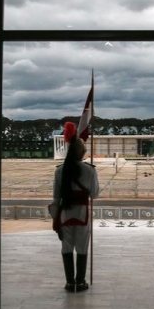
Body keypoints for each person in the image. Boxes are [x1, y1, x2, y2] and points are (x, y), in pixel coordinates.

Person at [49, 122, 99, 292]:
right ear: (82, 152)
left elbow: (56, 198)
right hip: (82, 213)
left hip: (65, 214)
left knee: (67, 247)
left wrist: (55, 218)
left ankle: (70, 282)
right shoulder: (90, 171)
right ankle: (81, 281)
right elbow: (94, 194)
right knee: (82, 248)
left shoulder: (59, 171)